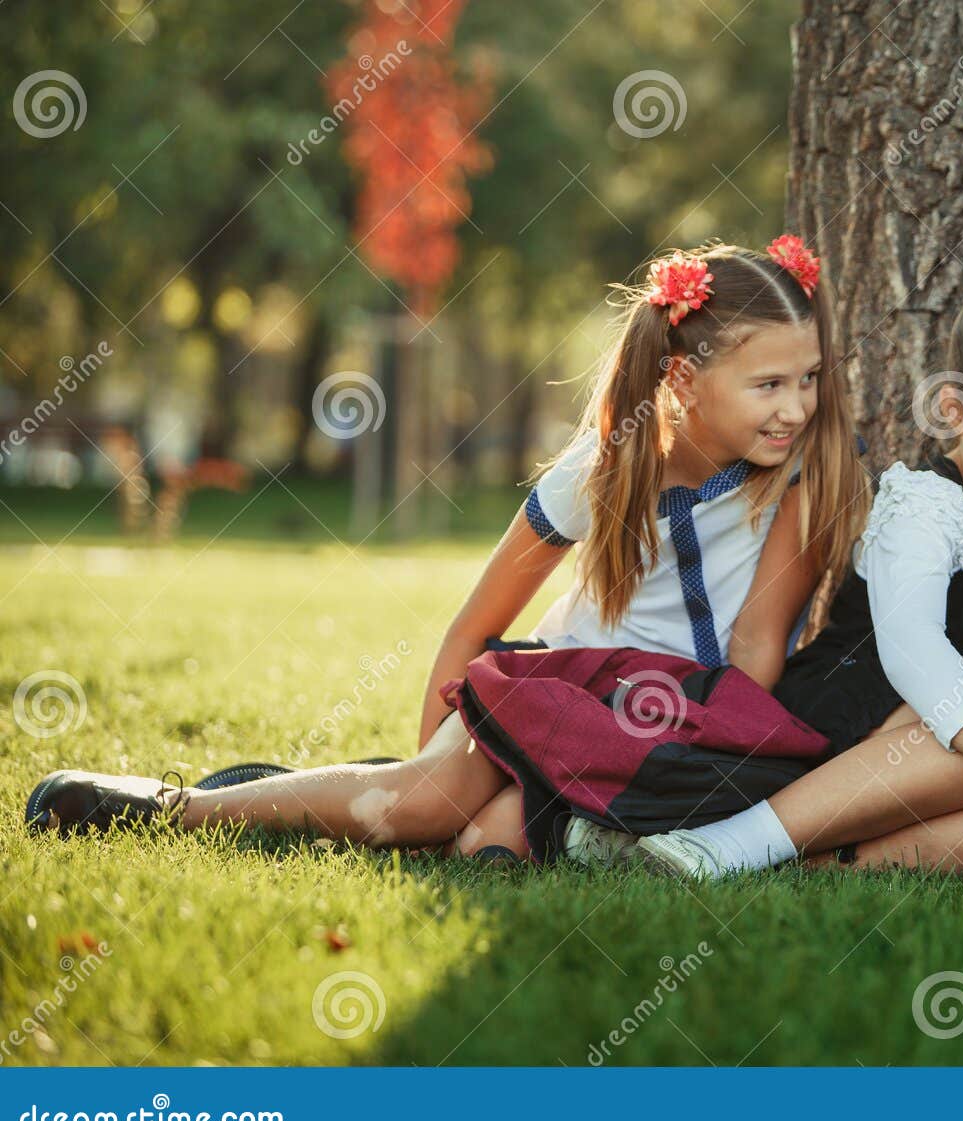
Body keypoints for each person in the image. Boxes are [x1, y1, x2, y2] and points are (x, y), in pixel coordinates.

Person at [25, 238, 871, 862]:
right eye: (769, 385)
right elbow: (477, 627)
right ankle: (176, 810)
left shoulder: (793, 477)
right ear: (683, 381)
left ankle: (348, 801)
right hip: (560, 687)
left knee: (483, 849)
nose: (796, 407)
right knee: (429, 803)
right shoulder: (603, 471)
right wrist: (432, 754)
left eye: (808, 380)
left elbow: (755, 654)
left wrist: (692, 753)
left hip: (679, 720)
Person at [626, 262, 963, 882]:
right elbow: (915, 653)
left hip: (952, 752)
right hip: (845, 724)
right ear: (956, 409)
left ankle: (824, 862)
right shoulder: (922, 504)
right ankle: (732, 843)